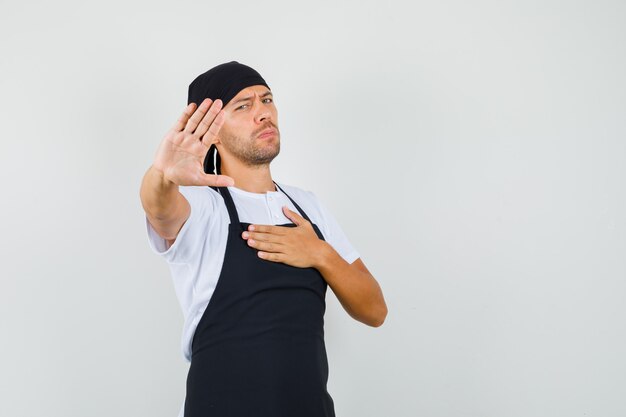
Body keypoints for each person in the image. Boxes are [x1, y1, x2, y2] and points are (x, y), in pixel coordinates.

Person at [139, 61, 387, 417]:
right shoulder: (200, 204)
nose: (263, 113)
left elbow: (375, 310)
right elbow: (159, 209)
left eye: (267, 100)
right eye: (243, 105)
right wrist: (162, 175)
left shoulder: (307, 206)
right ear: (212, 130)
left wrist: (319, 254)